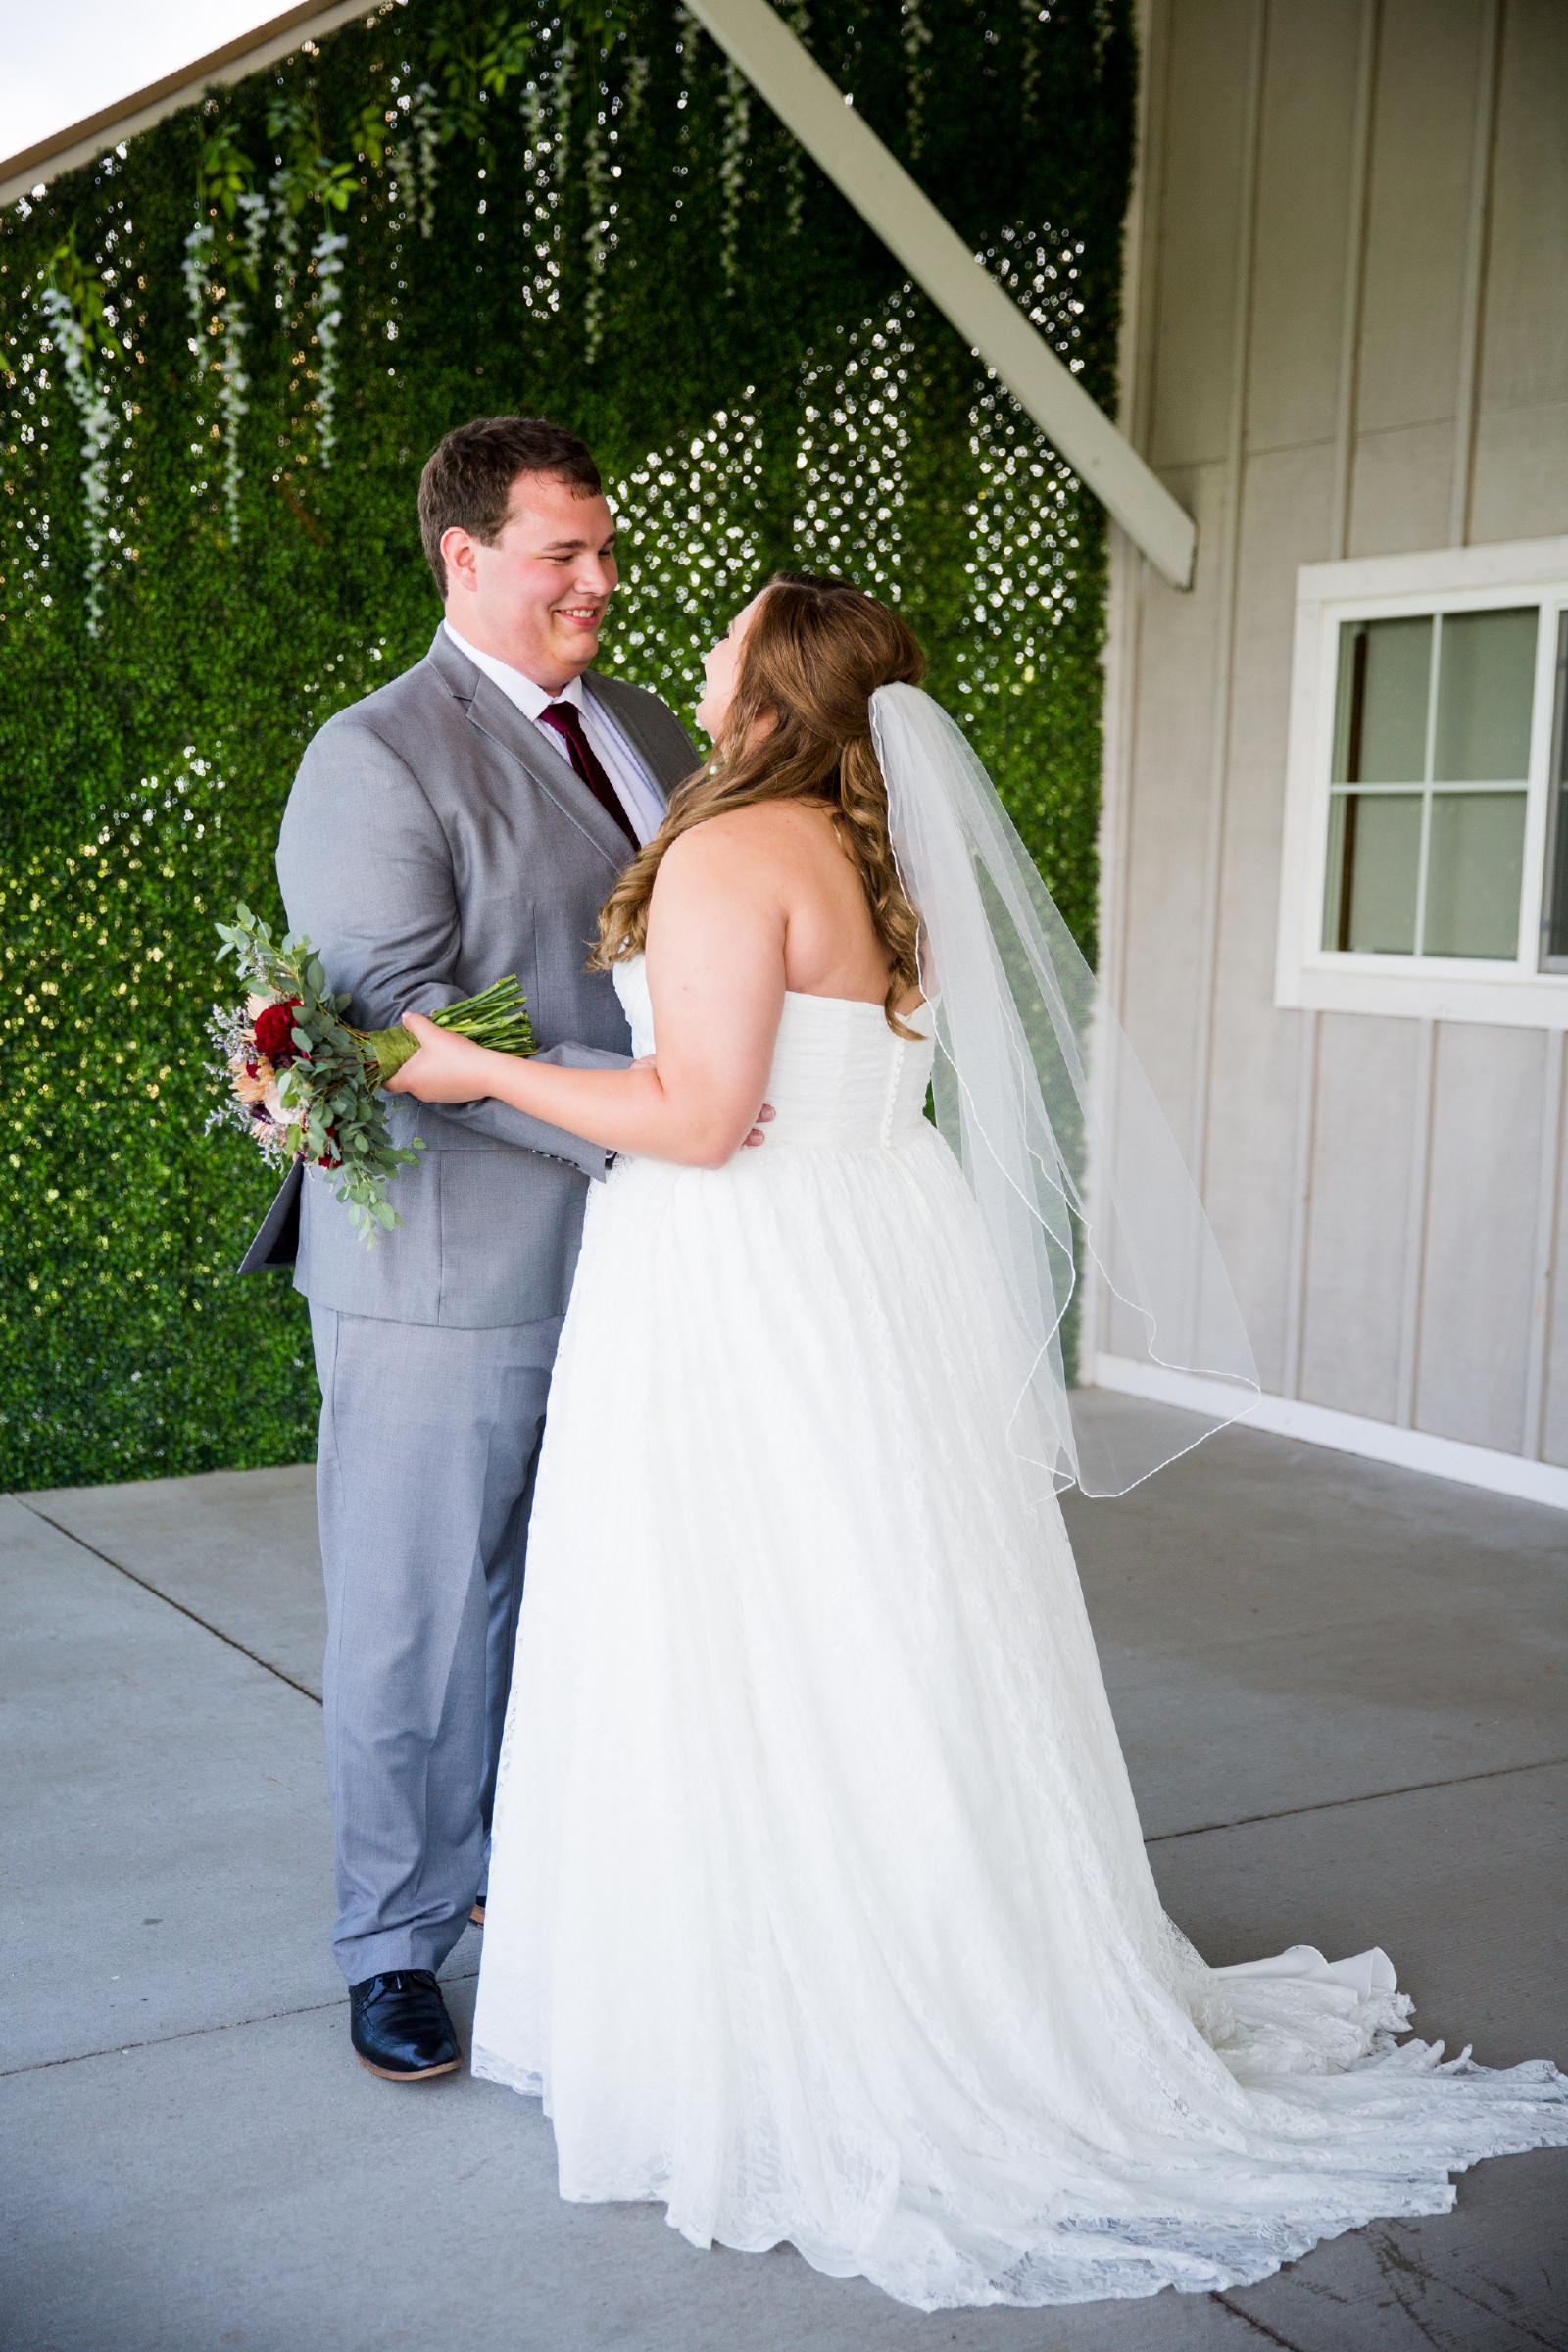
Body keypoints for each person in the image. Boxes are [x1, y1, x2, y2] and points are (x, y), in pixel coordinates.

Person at [388, 573, 1567, 2306]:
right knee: (882, 1634)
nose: (698, 658)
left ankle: (793, 2002)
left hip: (744, 1289)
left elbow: (702, 1120)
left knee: (741, 1631)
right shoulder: (879, 863)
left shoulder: (732, 854)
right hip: (868, 1274)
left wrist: (471, 1072)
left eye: (725, 643)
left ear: (772, 692)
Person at [265, 415, 748, 2082]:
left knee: (566, 1604)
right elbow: (391, 1035)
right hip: (445, 1277)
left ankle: (526, 1889)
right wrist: (663, 1111)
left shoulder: (638, 721)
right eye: (565, 556)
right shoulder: (373, 758)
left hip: (639, 1254)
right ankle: (393, 1943)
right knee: (414, 1615)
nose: (601, 583)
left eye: (604, 551)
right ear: (464, 557)